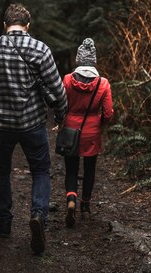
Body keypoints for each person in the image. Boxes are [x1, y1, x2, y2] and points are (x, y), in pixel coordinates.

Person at [0, 3, 67, 254]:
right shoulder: (40, 49)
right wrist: (60, 113)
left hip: (1, 125)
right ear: (27, 25)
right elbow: (57, 89)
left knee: (2, 171)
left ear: (5, 24)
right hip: (32, 123)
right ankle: (38, 216)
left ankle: (4, 224)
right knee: (41, 170)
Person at [61, 38, 114, 227]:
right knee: (90, 169)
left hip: (70, 129)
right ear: (94, 61)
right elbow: (108, 113)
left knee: (72, 169)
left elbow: (61, 104)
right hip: (92, 131)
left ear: (78, 59)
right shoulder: (103, 83)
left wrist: (61, 120)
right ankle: (85, 207)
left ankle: (71, 200)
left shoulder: (67, 79)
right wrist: (100, 123)